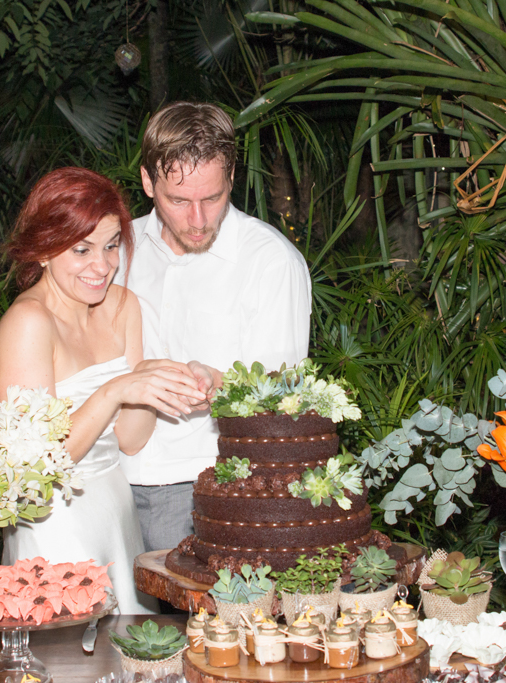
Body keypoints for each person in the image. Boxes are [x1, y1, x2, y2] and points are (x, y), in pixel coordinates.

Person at [0, 167, 221, 614]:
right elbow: (36, 468)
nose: (102, 266)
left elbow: (130, 439)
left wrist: (162, 379)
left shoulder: (122, 306)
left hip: (115, 511)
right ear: (43, 250)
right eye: (82, 250)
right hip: (55, 522)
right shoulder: (27, 324)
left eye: (112, 245)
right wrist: (115, 390)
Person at [115, 101, 313, 552]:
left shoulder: (270, 262)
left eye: (213, 197)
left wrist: (221, 385)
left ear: (231, 179)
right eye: (178, 201)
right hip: (106, 487)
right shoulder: (115, 251)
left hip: (209, 492)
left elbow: (284, 402)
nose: (198, 220)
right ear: (148, 182)